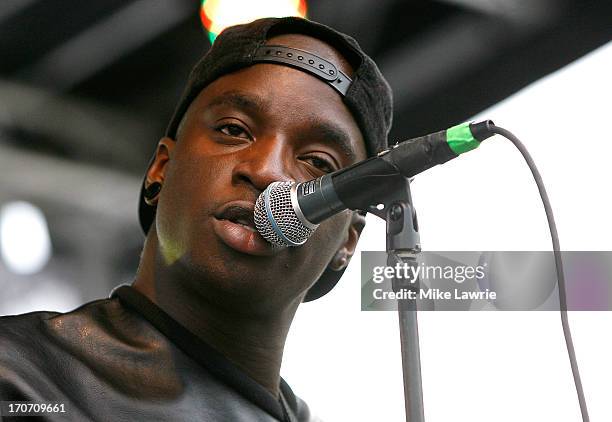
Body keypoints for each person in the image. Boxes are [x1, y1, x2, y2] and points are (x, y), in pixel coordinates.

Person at [0, 16, 392, 421]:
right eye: (234, 130)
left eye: (316, 161)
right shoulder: (17, 377)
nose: (268, 172)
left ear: (347, 242)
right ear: (160, 170)